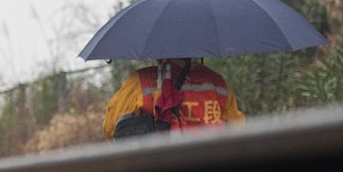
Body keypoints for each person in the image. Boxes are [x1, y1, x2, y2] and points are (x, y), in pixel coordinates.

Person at [102, 58, 245, 140]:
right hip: (212, 171)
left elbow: (112, 128)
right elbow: (237, 128)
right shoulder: (217, 81)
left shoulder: (140, 82)